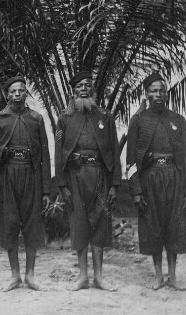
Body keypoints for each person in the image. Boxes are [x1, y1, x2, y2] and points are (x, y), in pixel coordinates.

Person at [126, 72, 186, 291]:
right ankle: (157, 276)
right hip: (149, 179)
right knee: (152, 226)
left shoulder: (177, 120)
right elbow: (131, 161)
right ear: (146, 94)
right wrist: (136, 191)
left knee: (174, 226)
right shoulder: (138, 121)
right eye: (153, 91)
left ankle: (172, 276)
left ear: (167, 93)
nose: (158, 95)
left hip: (174, 178)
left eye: (162, 91)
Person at [55, 71, 120, 291]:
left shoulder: (105, 117)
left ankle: (99, 277)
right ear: (72, 92)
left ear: (93, 90)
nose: (84, 89)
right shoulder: (64, 118)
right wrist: (62, 184)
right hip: (75, 176)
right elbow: (58, 151)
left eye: (87, 85)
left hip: (100, 175)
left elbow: (114, 151)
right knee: (79, 224)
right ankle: (82, 276)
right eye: (79, 86)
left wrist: (114, 185)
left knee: (100, 223)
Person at [0, 76, 51, 291]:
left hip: (31, 176)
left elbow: (45, 155)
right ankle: (14, 275)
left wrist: (45, 190)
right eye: (13, 91)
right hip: (7, 176)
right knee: (10, 223)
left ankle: (30, 275)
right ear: (7, 94)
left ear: (26, 94)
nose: (17, 94)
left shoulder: (36, 119)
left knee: (32, 224)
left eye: (21, 91)